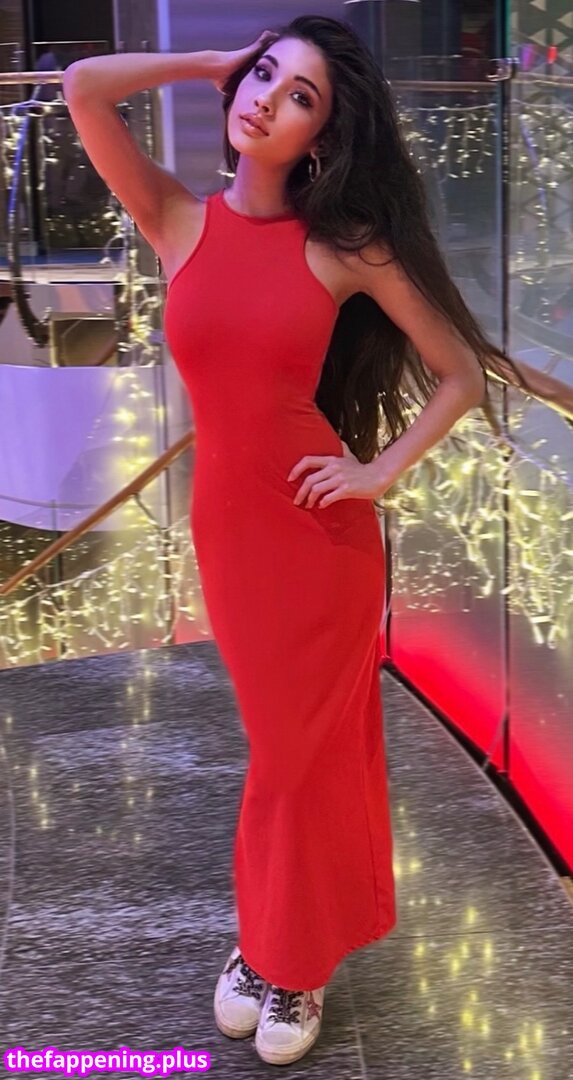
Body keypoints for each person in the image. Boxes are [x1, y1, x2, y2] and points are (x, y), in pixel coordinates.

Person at [63, 15, 532, 1067]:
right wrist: (212, 61)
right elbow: (86, 85)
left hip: (320, 540)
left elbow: (458, 375)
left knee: (289, 759)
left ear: (320, 137)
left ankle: (282, 958)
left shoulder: (343, 248)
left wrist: (374, 472)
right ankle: (285, 940)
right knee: (292, 755)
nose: (268, 99)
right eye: (265, 75)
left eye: (300, 96)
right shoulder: (177, 219)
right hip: (232, 538)